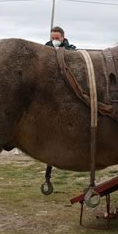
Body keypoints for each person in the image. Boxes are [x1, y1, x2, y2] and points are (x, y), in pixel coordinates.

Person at [42, 26, 76, 194]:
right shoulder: (43, 50)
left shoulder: (72, 51)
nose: (55, 40)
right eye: (53, 37)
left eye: (58, 38)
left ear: (63, 37)